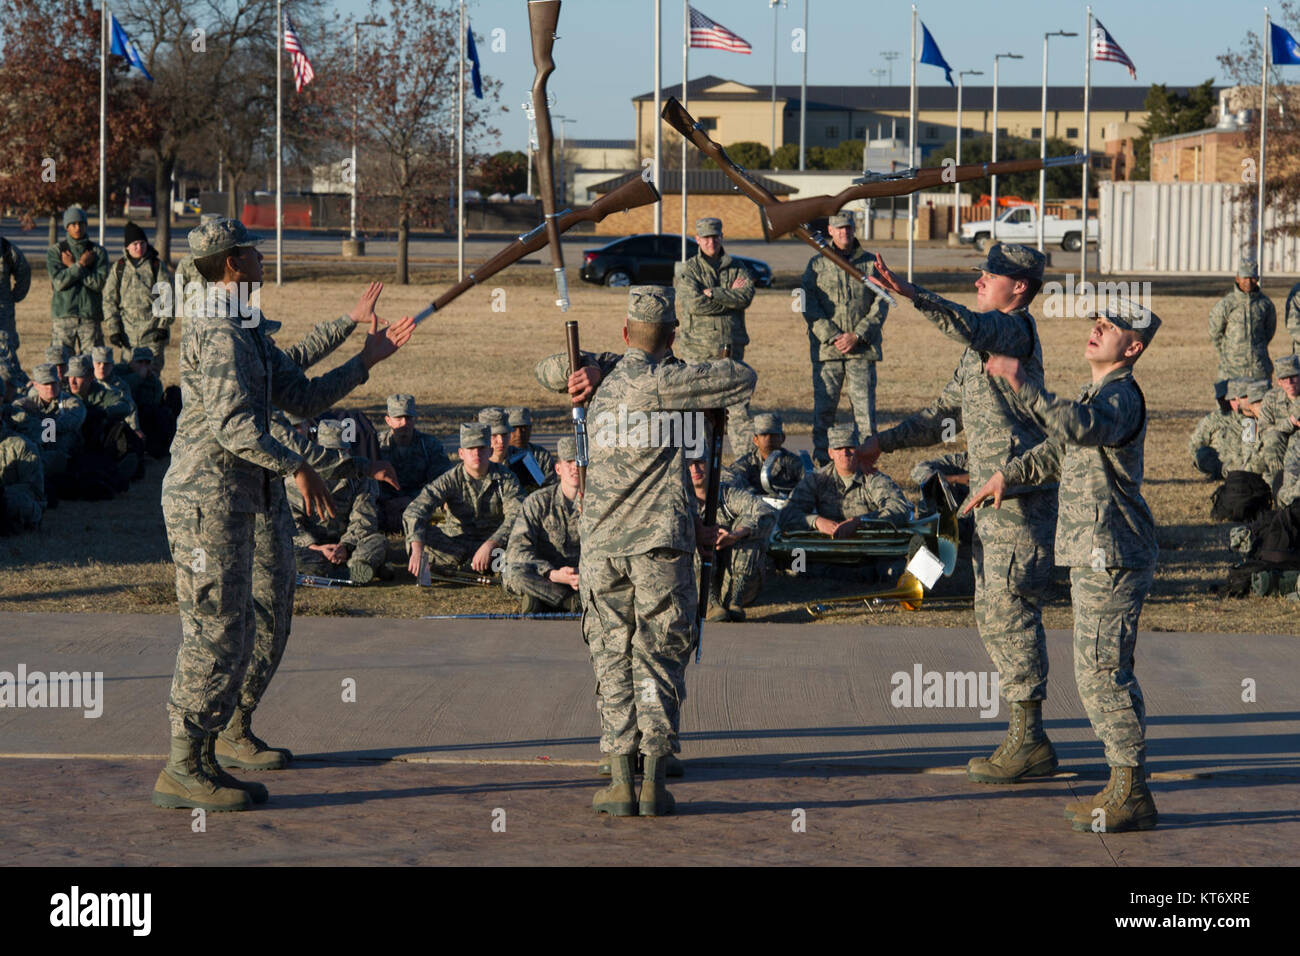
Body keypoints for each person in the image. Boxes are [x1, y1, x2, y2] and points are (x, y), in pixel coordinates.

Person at [152, 217, 413, 812]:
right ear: (232, 263)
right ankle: (181, 766)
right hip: (206, 500)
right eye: (253, 251)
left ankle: (208, 753)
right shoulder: (218, 327)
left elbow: (298, 393)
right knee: (214, 629)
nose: (262, 258)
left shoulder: (240, 324)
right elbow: (234, 424)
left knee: (239, 626)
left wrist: (365, 358)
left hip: (237, 496)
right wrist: (298, 465)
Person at [860, 243, 1060, 785]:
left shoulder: (1012, 332)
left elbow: (969, 325)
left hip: (1020, 509)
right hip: (992, 509)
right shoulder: (981, 351)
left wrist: (910, 293)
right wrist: (881, 442)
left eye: (991, 274)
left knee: (1011, 617)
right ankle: (1025, 736)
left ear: (1018, 287)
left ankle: (1031, 742)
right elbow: (942, 415)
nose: (980, 279)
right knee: (996, 618)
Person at [967, 302, 1162, 832]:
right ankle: (1121, 783)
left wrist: (1023, 385)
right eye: (1096, 322)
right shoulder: (1097, 394)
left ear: (1133, 348)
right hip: (1093, 554)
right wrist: (1005, 477)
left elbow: (1078, 427)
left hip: (1113, 554)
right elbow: (1058, 448)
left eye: (1112, 328)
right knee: (1096, 671)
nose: (1097, 329)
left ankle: (1132, 792)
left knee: (1103, 673)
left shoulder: (1119, 397)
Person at [580, 285, 755, 817]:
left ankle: (619, 779)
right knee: (656, 657)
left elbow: (549, 368)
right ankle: (653, 776)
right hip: (658, 547)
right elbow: (740, 378)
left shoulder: (603, 382)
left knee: (613, 655)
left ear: (624, 332)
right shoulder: (663, 383)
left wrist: (597, 362)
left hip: (601, 548)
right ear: (673, 335)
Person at [800, 211, 888, 464]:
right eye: (838, 229)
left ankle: (865, 464)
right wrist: (833, 335)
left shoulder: (871, 264)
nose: (844, 233)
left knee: (864, 414)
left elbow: (882, 302)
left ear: (854, 229)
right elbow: (808, 303)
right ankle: (822, 464)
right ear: (830, 230)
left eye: (848, 228)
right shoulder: (817, 264)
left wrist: (858, 335)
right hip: (828, 351)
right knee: (824, 412)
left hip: (862, 349)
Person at [674, 216, 757, 456]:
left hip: (731, 350)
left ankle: (745, 464)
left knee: (739, 410)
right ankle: (700, 468)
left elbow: (746, 297)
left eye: (716, 236)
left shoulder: (737, 266)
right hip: (699, 354)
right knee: (701, 412)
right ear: (697, 239)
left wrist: (714, 293)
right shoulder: (689, 269)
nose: (712, 242)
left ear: (722, 237)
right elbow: (695, 304)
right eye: (706, 237)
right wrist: (729, 297)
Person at [403, 422, 524, 577]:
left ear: (490, 451)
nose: (476, 454)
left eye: (481, 448)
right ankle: (480, 567)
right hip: (457, 546)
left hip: (496, 545)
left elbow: (517, 515)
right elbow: (415, 509)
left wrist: (491, 544)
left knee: (523, 545)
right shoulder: (450, 479)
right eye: (470, 449)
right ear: (461, 453)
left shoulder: (506, 478)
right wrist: (418, 547)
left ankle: (472, 566)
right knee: (420, 537)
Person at [288, 419, 389, 584]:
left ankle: (351, 569)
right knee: (284, 550)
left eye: (341, 452)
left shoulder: (361, 478)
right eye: (330, 453)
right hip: (313, 548)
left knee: (377, 542)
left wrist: (345, 546)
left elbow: (363, 519)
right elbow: (291, 522)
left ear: (348, 450)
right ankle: (353, 571)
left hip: (348, 546)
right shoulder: (300, 479)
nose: (337, 459)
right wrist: (316, 547)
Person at [687, 442, 775, 622]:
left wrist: (736, 535)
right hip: (693, 582)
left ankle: (735, 599)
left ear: (711, 464)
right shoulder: (679, 498)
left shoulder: (726, 493)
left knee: (750, 525)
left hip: (732, 575)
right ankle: (708, 603)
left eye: (700, 462)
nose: (695, 468)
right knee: (689, 534)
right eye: (689, 463)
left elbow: (766, 511)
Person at [782, 424, 910, 534]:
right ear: (830, 453)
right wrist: (816, 522)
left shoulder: (872, 478)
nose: (845, 453)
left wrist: (860, 522)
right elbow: (786, 514)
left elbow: (900, 509)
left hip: (870, 549)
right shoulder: (816, 479)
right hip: (827, 551)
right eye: (838, 448)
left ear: (859, 450)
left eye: (850, 448)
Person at [502, 436, 582, 612]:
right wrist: (552, 573)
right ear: (558, 468)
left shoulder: (600, 504)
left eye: (579, 461)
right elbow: (517, 550)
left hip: (586, 576)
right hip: (546, 577)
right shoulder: (537, 502)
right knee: (512, 572)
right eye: (569, 461)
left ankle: (543, 600)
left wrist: (582, 573)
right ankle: (570, 602)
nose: (575, 467)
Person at [103, 221, 174, 374]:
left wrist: (162, 326)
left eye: (142, 243)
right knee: (128, 376)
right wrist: (114, 329)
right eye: (134, 244)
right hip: (128, 335)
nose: (139, 247)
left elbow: (168, 297)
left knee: (152, 375)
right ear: (127, 246)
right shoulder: (119, 268)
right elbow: (109, 300)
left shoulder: (156, 266)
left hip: (152, 333)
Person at [376, 393, 450, 533]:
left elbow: (442, 482)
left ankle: (437, 534)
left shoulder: (429, 445)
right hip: (386, 507)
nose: (404, 423)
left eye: (408, 417)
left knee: (444, 511)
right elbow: (367, 483)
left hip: (421, 503)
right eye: (398, 418)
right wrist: (388, 503)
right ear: (388, 420)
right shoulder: (376, 445)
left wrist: (411, 499)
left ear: (415, 419)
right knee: (364, 510)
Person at [46, 206, 109, 353]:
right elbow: (59, 283)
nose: (77, 227)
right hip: (63, 316)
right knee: (60, 364)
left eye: (81, 223)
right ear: (67, 227)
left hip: (90, 316)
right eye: (73, 224)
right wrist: (80, 265)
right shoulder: (56, 251)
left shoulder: (97, 252)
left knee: (92, 364)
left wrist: (72, 268)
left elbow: (98, 284)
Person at [1209, 257, 1275, 393]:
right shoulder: (1227, 304)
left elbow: (1269, 331)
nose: (1248, 282)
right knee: (1228, 410)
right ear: (1237, 278)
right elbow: (1215, 332)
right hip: (1232, 370)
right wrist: (1229, 353)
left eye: (1252, 278)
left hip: (1259, 369)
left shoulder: (1265, 304)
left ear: (1257, 278)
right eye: (1244, 278)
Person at [722, 412, 805, 498]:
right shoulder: (746, 464)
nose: (769, 439)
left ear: (782, 438)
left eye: (773, 435)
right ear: (755, 440)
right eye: (764, 435)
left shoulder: (794, 462)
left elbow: (811, 485)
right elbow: (732, 482)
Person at [505, 406, 556, 488]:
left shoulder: (541, 456)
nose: (519, 434)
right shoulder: (497, 456)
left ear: (530, 429)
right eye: (513, 429)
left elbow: (550, 489)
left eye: (523, 428)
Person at [0, 228, 31, 351]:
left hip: (3, 317)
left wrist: (14, 297)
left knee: (7, 353)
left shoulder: (6, 249)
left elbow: (24, 271)